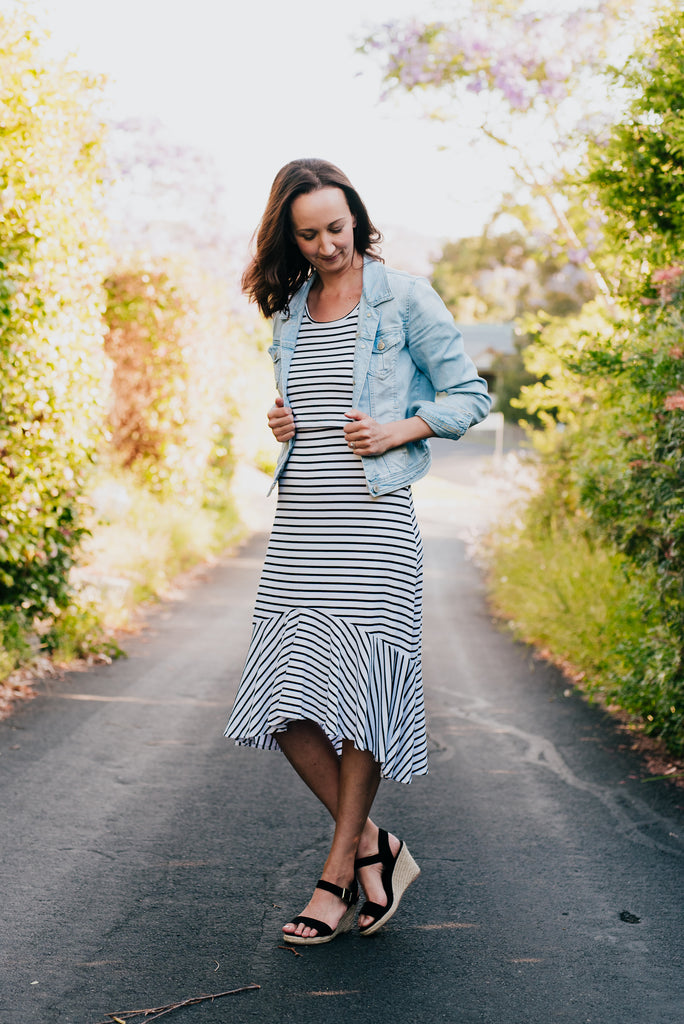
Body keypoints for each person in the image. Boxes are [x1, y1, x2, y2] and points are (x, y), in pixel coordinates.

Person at [225, 158, 490, 945]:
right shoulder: (291, 308)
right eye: (308, 234)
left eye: (336, 228)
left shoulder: (404, 295)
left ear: (356, 218)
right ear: (289, 235)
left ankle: (338, 873)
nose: (326, 246)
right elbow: (306, 402)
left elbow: (469, 396)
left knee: (361, 703)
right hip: (304, 524)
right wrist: (286, 421)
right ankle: (378, 843)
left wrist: (400, 428)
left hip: (373, 525)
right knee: (283, 704)